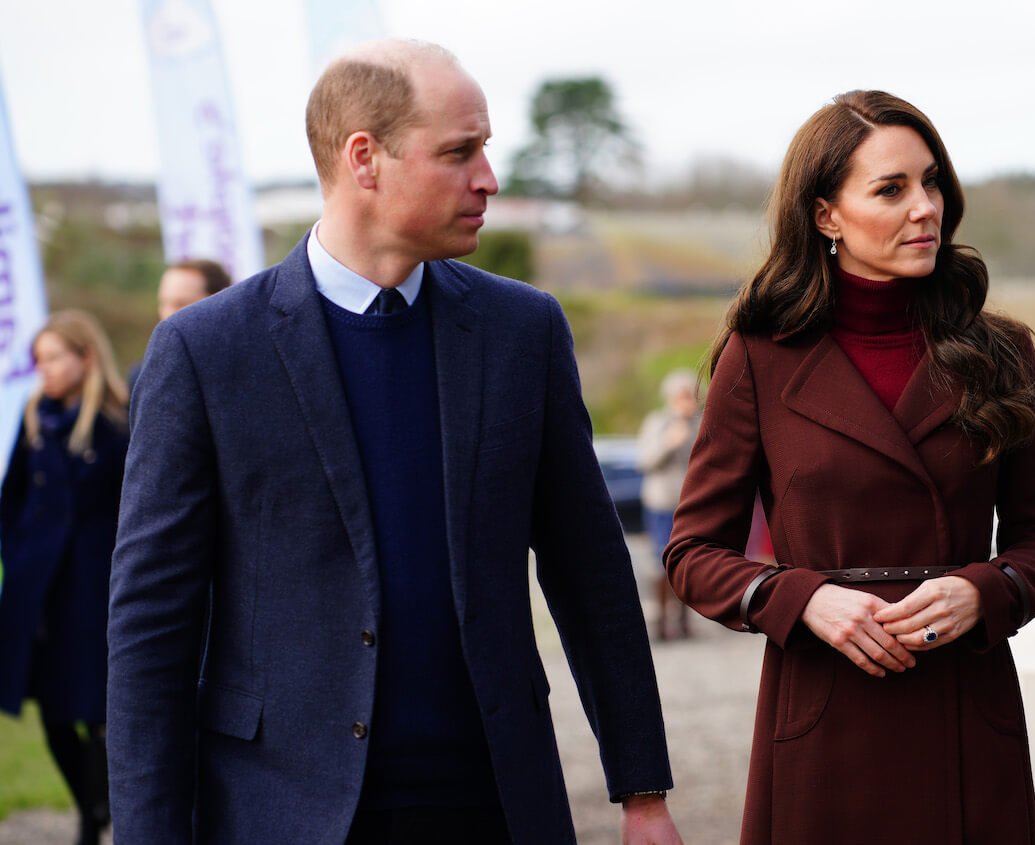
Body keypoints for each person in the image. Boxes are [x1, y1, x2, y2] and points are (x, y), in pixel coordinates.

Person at [107, 40, 681, 845]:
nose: (488, 176)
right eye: (460, 151)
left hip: (492, 804)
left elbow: (590, 572)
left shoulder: (524, 331)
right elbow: (150, 625)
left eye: (485, 147)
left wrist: (643, 789)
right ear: (364, 159)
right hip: (278, 812)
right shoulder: (206, 352)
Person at [664, 90, 1035, 844]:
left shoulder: (1001, 352)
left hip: (964, 708)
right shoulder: (758, 356)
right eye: (891, 189)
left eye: (931, 182)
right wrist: (798, 597)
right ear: (826, 215)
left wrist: (984, 589)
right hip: (824, 717)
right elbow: (692, 554)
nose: (925, 207)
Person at [0, 310, 129, 845]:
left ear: (85, 357)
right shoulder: (35, 421)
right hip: (40, 595)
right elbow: (11, 502)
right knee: (51, 711)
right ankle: (90, 806)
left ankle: (98, 814)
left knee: (97, 711)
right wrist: (22, 555)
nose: (44, 370)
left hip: (94, 592)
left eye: (54, 357)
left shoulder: (118, 426)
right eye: (38, 360)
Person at [636, 369, 700, 640]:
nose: (687, 401)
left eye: (691, 395)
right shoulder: (658, 422)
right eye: (682, 396)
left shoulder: (701, 423)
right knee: (660, 561)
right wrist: (669, 441)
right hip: (661, 503)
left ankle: (684, 621)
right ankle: (660, 623)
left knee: (689, 561)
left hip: (690, 504)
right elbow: (645, 460)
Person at [127, 258, 232, 389]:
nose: (168, 314)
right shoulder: (143, 376)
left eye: (181, 304)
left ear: (218, 302)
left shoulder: (245, 368)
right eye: (164, 302)